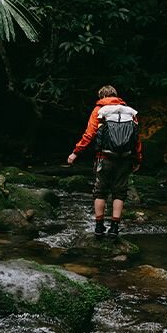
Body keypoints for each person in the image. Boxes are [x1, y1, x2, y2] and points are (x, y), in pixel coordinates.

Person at [67, 85, 142, 237]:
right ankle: (114, 228)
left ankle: (99, 227)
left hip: (105, 157)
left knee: (100, 192)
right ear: (116, 95)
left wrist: (75, 152)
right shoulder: (130, 112)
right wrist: (138, 159)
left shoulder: (99, 111)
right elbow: (136, 139)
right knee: (120, 193)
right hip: (125, 158)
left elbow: (89, 134)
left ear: (101, 97)